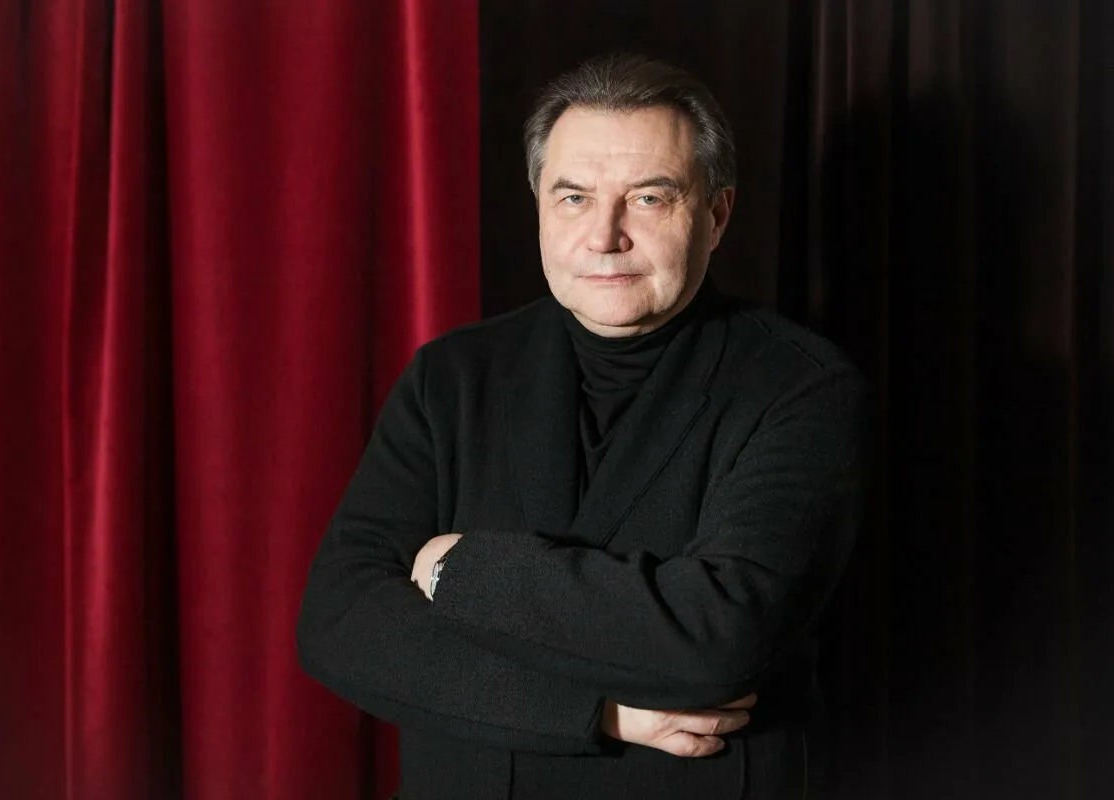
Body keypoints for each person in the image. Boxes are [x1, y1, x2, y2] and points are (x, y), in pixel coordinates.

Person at [297, 53, 869, 800]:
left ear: (717, 214)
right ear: (539, 205)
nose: (605, 236)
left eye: (649, 198)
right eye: (573, 198)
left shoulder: (800, 387)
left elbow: (720, 640)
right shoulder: (452, 376)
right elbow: (339, 622)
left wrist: (455, 569)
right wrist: (600, 713)